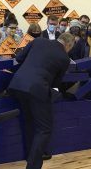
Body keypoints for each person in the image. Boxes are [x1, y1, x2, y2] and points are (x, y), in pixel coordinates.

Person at [8, 33, 75, 169]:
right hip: (37, 90)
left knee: (28, 122)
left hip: (17, 85)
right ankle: (33, 165)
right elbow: (56, 83)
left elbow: (19, 58)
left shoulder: (38, 41)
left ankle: (30, 155)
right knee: (44, 129)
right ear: (69, 45)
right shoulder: (64, 58)